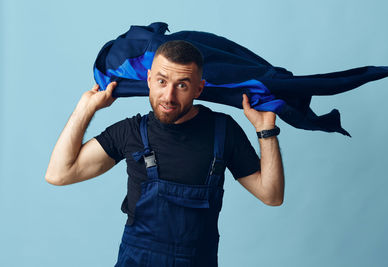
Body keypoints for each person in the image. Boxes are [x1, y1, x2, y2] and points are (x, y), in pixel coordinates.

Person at [45, 40, 285, 266]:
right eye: (161, 81)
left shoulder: (223, 130)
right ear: (149, 79)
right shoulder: (130, 132)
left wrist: (266, 131)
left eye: (182, 85)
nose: (168, 97)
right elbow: (59, 173)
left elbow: (271, 195)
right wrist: (84, 109)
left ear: (198, 88)